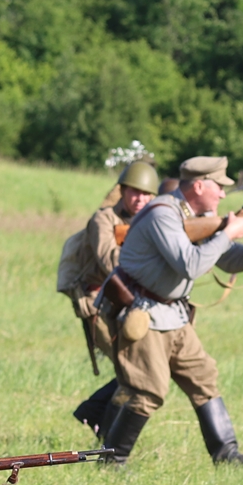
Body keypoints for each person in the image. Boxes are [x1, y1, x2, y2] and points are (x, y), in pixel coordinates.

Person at [96, 155, 243, 464]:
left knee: (204, 377)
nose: (224, 194)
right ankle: (112, 460)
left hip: (173, 316)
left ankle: (227, 455)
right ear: (199, 186)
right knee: (148, 391)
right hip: (142, 313)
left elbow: (224, 258)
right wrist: (229, 231)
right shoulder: (163, 214)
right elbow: (191, 265)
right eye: (220, 187)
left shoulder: (195, 215)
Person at [65, 157, 160, 439]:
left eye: (146, 194)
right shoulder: (103, 219)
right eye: (134, 192)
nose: (140, 199)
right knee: (130, 369)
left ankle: (94, 415)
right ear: (122, 190)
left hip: (128, 303)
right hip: (97, 301)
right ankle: (105, 431)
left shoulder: (151, 218)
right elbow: (110, 261)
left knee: (134, 368)